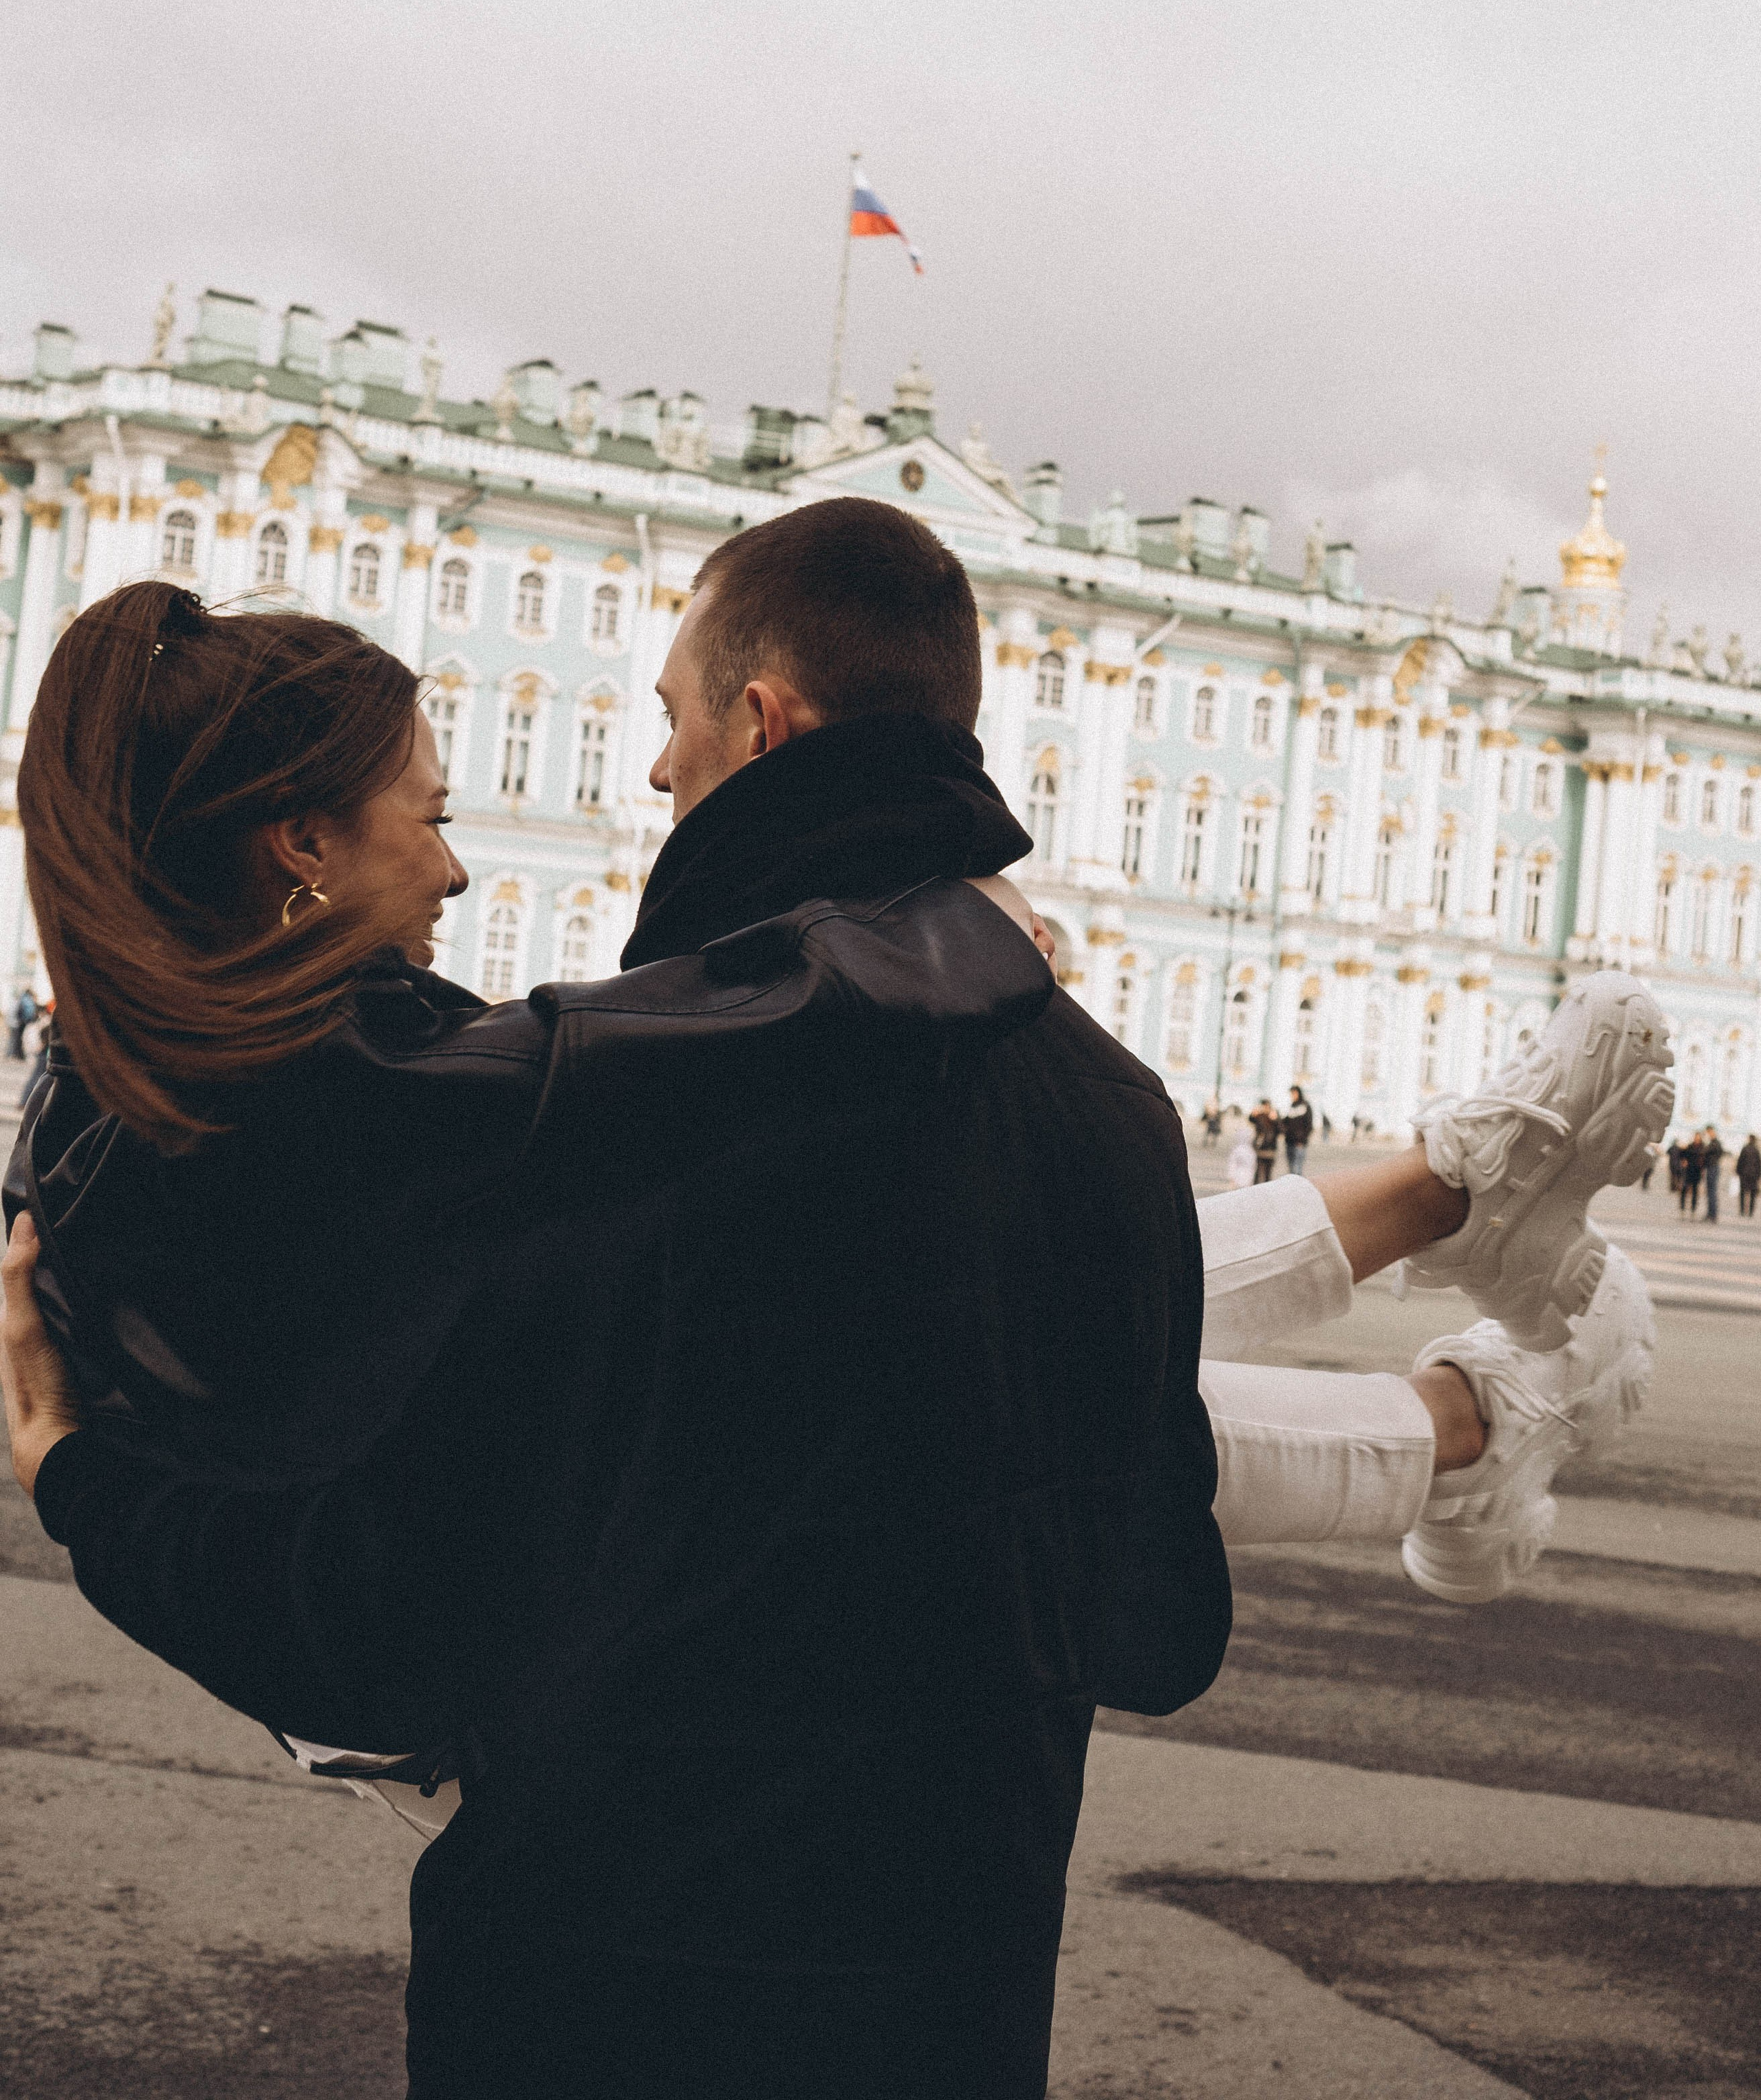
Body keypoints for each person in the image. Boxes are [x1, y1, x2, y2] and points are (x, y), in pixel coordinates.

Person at [0, 519, 1672, 2085]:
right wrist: (972, 940)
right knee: (1009, 1346)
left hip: (600, 1955)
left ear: (761, 718)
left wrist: (77, 1476)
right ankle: (1459, 1319)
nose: (457, 860)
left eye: (665, 718)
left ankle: (1461, 1326)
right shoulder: (393, 1108)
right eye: (425, 816)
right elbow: (1136, 1592)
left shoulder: (246, 1094)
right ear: (299, 843)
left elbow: (370, 1599)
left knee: (971, 1350)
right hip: (933, 1978)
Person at [1283, 1084, 1313, 1175]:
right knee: (1291, 1169)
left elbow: (1309, 1125)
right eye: (1291, 1094)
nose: (1292, 1096)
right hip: (1289, 1142)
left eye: (1294, 1093)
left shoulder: (1305, 1106)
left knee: (1298, 1169)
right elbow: (1285, 1123)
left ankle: (1298, 1185)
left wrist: (1302, 1140)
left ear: (1299, 1093)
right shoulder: (1291, 1107)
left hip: (1299, 1143)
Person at [1249, 1097, 1280, 1183]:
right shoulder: (1260, 1116)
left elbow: (1281, 1130)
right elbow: (1251, 1119)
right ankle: (1256, 1189)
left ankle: (1267, 1189)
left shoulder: (1274, 1115)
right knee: (1258, 1172)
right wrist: (1253, 1114)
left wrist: (1275, 1120)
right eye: (1264, 1106)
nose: (1265, 1108)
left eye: (1267, 1106)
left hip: (1270, 1148)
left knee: (1268, 1173)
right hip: (1261, 1148)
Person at [6, 985, 38, 1060]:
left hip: (18, 1022)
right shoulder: (27, 1000)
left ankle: (14, 1054)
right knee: (19, 1039)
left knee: (16, 1039)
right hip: (22, 1022)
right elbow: (27, 1012)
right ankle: (18, 1055)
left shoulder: (22, 999)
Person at [1702, 1126, 1724, 1223]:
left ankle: (1713, 1214)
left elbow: (1705, 1151)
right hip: (1712, 1167)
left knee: (1712, 1192)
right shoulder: (1715, 1143)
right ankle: (1711, 1213)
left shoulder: (1715, 1143)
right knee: (1710, 1192)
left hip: (1713, 1168)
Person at [1738, 1133, 1760, 1219]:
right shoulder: (1756, 1150)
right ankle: (1751, 1212)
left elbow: (1740, 1161)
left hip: (1744, 1174)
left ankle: (1742, 1210)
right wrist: (1758, 1175)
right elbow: (1759, 1164)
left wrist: (1738, 1171)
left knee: (1743, 1192)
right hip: (1754, 1175)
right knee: (1752, 1194)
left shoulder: (1745, 1149)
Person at [1682, 1128, 1704, 1214]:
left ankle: (1693, 1208)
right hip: (1689, 1170)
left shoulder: (1703, 1147)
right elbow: (1683, 1155)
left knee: (1695, 1190)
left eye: (1698, 1137)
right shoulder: (1690, 1146)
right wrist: (1684, 1161)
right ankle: (1683, 1207)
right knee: (1685, 1188)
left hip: (1697, 1170)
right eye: (1696, 1137)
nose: (1697, 1139)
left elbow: (1704, 1159)